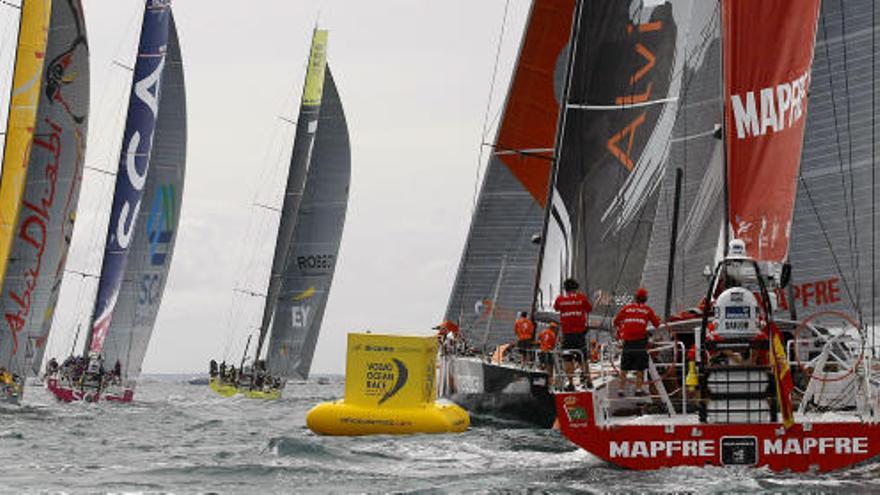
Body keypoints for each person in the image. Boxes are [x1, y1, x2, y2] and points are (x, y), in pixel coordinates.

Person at [613, 287, 660, 397]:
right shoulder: (648, 310)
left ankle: (621, 390)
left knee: (624, 368)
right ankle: (638, 390)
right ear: (645, 299)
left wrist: (622, 330)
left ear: (635, 298)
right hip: (639, 342)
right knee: (640, 368)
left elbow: (615, 321)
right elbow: (657, 324)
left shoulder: (627, 308)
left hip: (627, 342)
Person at [554, 278, 593, 390]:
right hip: (580, 334)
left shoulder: (560, 299)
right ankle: (588, 381)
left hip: (567, 334)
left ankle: (571, 383)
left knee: (568, 359)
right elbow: (589, 309)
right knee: (583, 358)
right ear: (576, 288)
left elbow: (556, 308)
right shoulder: (581, 298)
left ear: (565, 289)